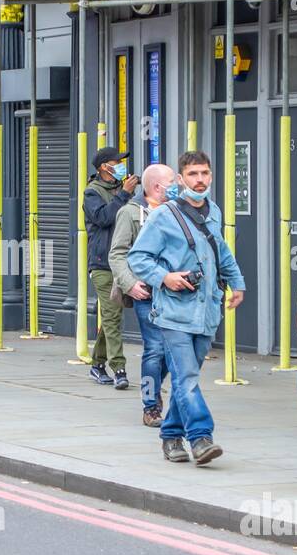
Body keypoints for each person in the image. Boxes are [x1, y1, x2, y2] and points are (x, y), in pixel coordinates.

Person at [127, 151, 245, 465]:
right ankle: (201, 437)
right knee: (187, 377)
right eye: (193, 174)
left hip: (206, 312)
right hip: (174, 313)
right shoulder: (163, 215)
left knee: (184, 378)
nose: (200, 180)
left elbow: (222, 251)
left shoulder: (214, 212)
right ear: (181, 179)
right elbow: (137, 258)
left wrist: (238, 283)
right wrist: (165, 277)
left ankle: (170, 436)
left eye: (205, 173)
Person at [109, 163, 175, 427]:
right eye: (172, 181)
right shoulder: (130, 213)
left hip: (175, 292)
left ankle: (154, 387)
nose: (178, 185)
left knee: (174, 351)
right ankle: (151, 405)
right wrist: (130, 285)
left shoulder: (177, 211)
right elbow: (117, 253)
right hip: (146, 292)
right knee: (155, 349)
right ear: (157, 186)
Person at [85, 146, 140, 388]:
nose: (120, 166)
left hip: (124, 263)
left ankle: (97, 364)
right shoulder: (92, 192)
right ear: (103, 167)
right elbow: (104, 218)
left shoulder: (121, 190)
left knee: (112, 316)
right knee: (112, 316)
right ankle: (119, 369)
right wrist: (124, 195)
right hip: (102, 264)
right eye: (116, 162)